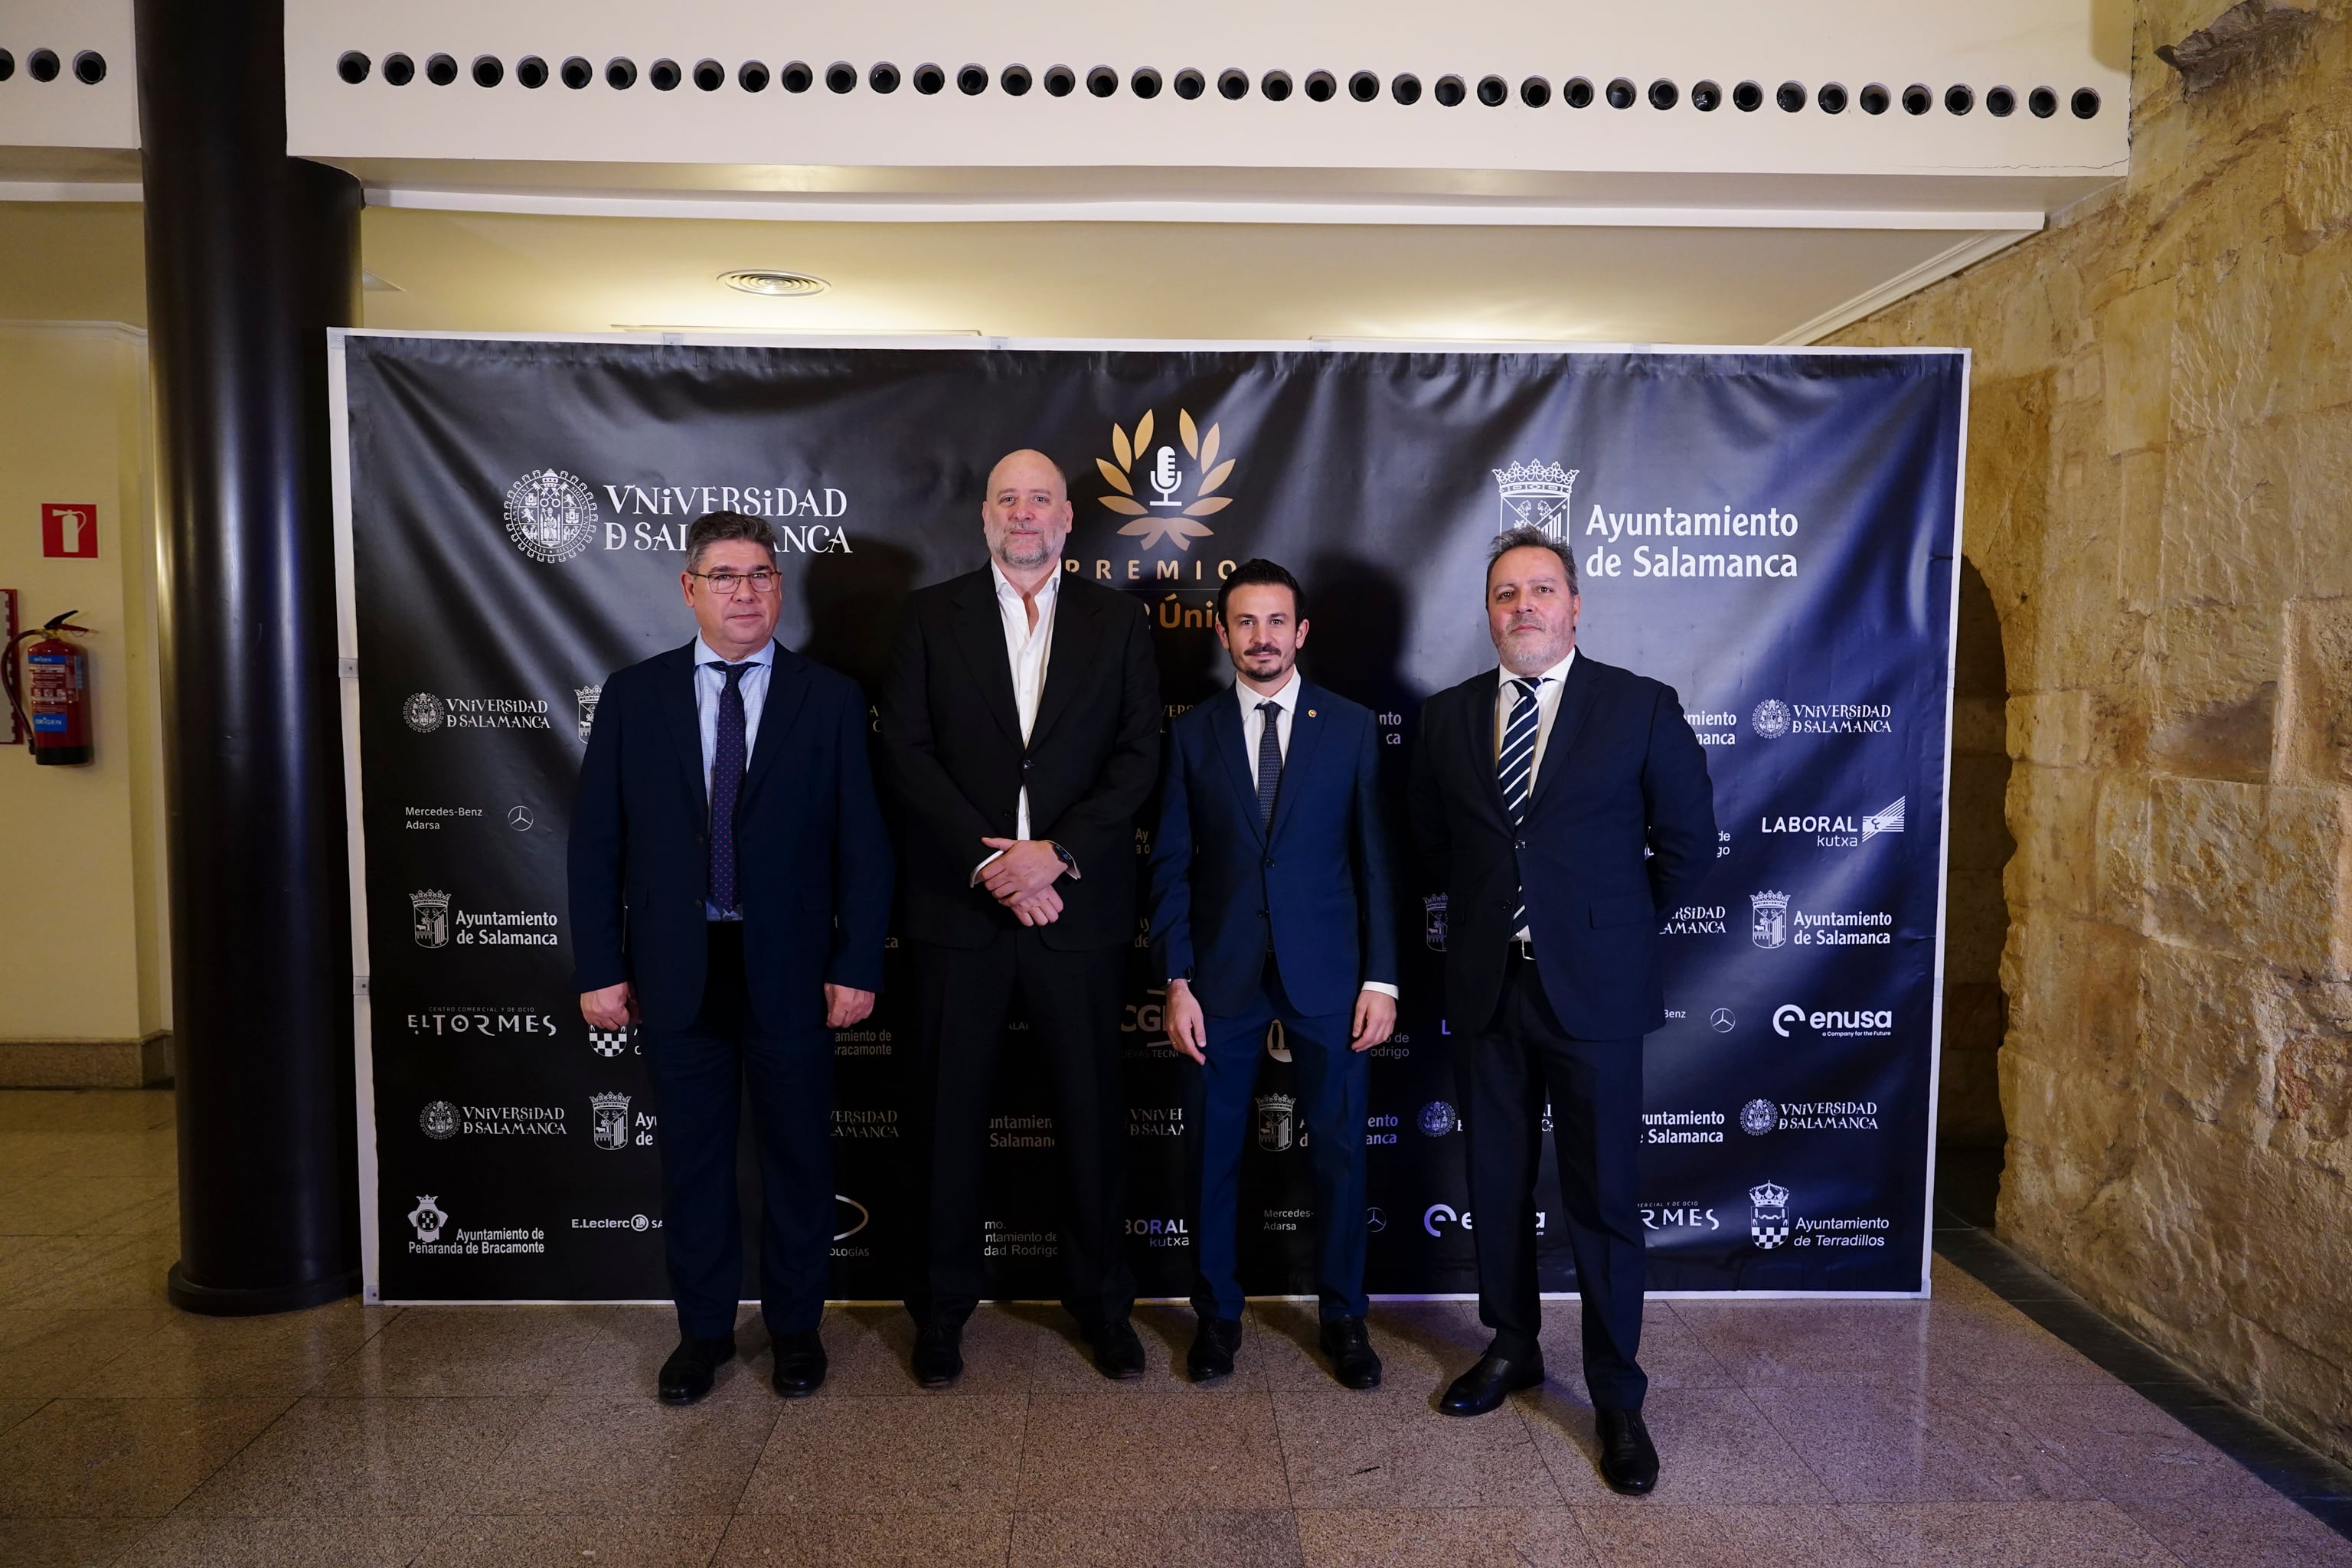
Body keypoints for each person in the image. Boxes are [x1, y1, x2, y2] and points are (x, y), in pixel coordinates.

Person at [1406, 525, 1716, 1494]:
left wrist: (1605, 933)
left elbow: (1689, 848)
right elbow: (1429, 845)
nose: (1525, 606)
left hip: (1595, 995)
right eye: (1506, 593)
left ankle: (1618, 1395)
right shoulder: (1450, 718)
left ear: (1577, 605)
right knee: (1496, 1180)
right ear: (1489, 612)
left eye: (1543, 589)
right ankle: (1512, 1345)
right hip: (1488, 990)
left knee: (1602, 1197)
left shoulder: (1640, 706)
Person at [570, 509, 892, 1404]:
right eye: (724, 576)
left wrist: (858, 962)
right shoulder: (635, 695)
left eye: (759, 575)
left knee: (799, 1160)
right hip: (677, 970)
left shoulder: (828, 697)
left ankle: (795, 1329)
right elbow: (596, 843)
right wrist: (600, 965)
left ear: (779, 588)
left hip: (793, 970)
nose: (744, 591)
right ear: (689, 589)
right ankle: (703, 1331)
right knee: (695, 1163)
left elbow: (865, 847)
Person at [877, 449, 1161, 1384]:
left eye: (1040, 499)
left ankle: (1103, 1306)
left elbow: (1136, 758)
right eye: (1008, 499)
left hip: (1078, 910)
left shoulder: (1119, 623)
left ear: (1069, 517)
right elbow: (907, 754)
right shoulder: (927, 617)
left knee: (1091, 1120)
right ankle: (941, 1310)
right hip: (960, 912)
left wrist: (1057, 854)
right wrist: (996, 862)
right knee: (945, 1120)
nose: (1025, 513)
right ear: (986, 517)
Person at [1148, 559, 1398, 1388]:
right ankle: (1216, 1317)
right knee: (1212, 1153)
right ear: (1222, 633)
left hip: (1331, 975)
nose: (1262, 637)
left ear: (1302, 631)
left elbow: (1375, 864)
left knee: (1339, 1153)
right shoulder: (1190, 733)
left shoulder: (1354, 726)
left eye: (1276, 621)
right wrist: (1177, 978)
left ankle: (1345, 1318)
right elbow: (1173, 865)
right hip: (1219, 980)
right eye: (1245, 623)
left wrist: (1383, 978)